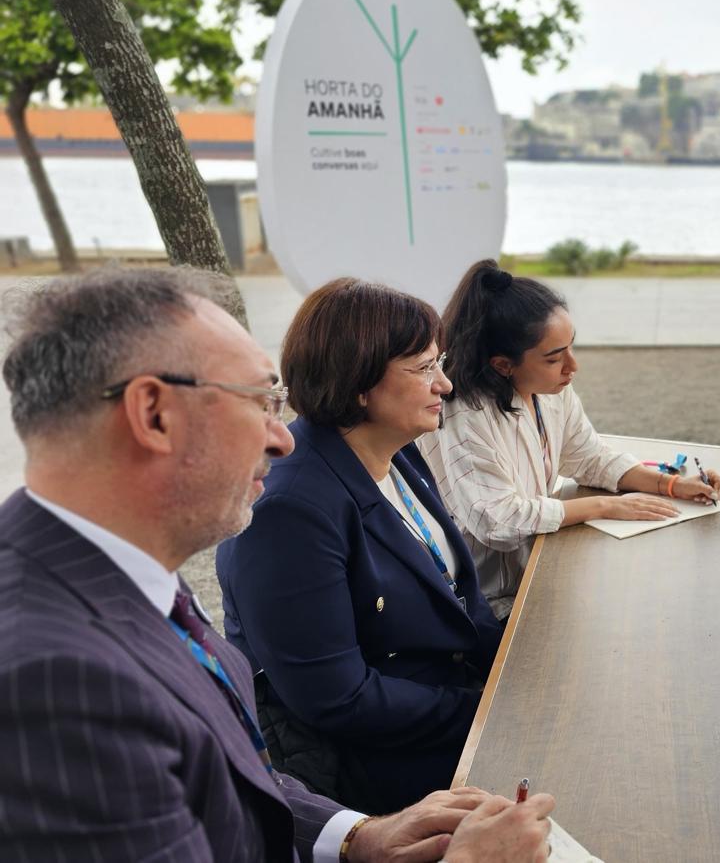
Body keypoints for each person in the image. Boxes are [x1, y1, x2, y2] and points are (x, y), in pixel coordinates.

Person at [0, 269, 554, 860]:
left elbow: (225, 769)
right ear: (154, 414)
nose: (283, 438)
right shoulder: (56, 680)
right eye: (258, 402)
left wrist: (356, 837)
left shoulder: (110, 573)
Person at [216, 278, 505, 814]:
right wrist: (486, 712)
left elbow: (461, 597)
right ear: (358, 383)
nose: (445, 384)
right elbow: (336, 697)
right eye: (423, 368)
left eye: (440, 362)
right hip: (374, 762)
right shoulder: (289, 510)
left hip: (445, 706)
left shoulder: (395, 450)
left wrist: (516, 672)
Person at [419, 260, 720, 619]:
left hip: (532, 571)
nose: (572, 366)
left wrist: (672, 484)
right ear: (503, 365)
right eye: (554, 358)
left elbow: (588, 456)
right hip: (487, 603)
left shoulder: (548, 389)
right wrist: (604, 507)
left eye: (570, 347)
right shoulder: (463, 415)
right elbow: (498, 522)